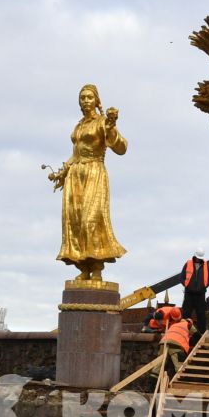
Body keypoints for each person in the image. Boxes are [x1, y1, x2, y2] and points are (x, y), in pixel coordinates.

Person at [49, 84, 129, 284]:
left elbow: (121, 148)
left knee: (90, 220)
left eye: (89, 97)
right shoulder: (79, 125)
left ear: (96, 100)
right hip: (76, 175)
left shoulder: (102, 122)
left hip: (94, 172)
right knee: (75, 222)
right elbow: (76, 153)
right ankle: (84, 267)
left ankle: (97, 269)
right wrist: (62, 171)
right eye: (82, 97)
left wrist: (111, 127)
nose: (85, 100)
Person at [181, 253, 209, 333]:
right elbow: (182, 277)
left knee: (201, 315)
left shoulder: (206, 265)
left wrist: (202, 287)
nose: (199, 259)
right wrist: (187, 286)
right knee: (186, 313)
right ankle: (183, 331)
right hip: (189, 293)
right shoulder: (188, 263)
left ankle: (201, 333)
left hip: (200, 294)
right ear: (195, 256)